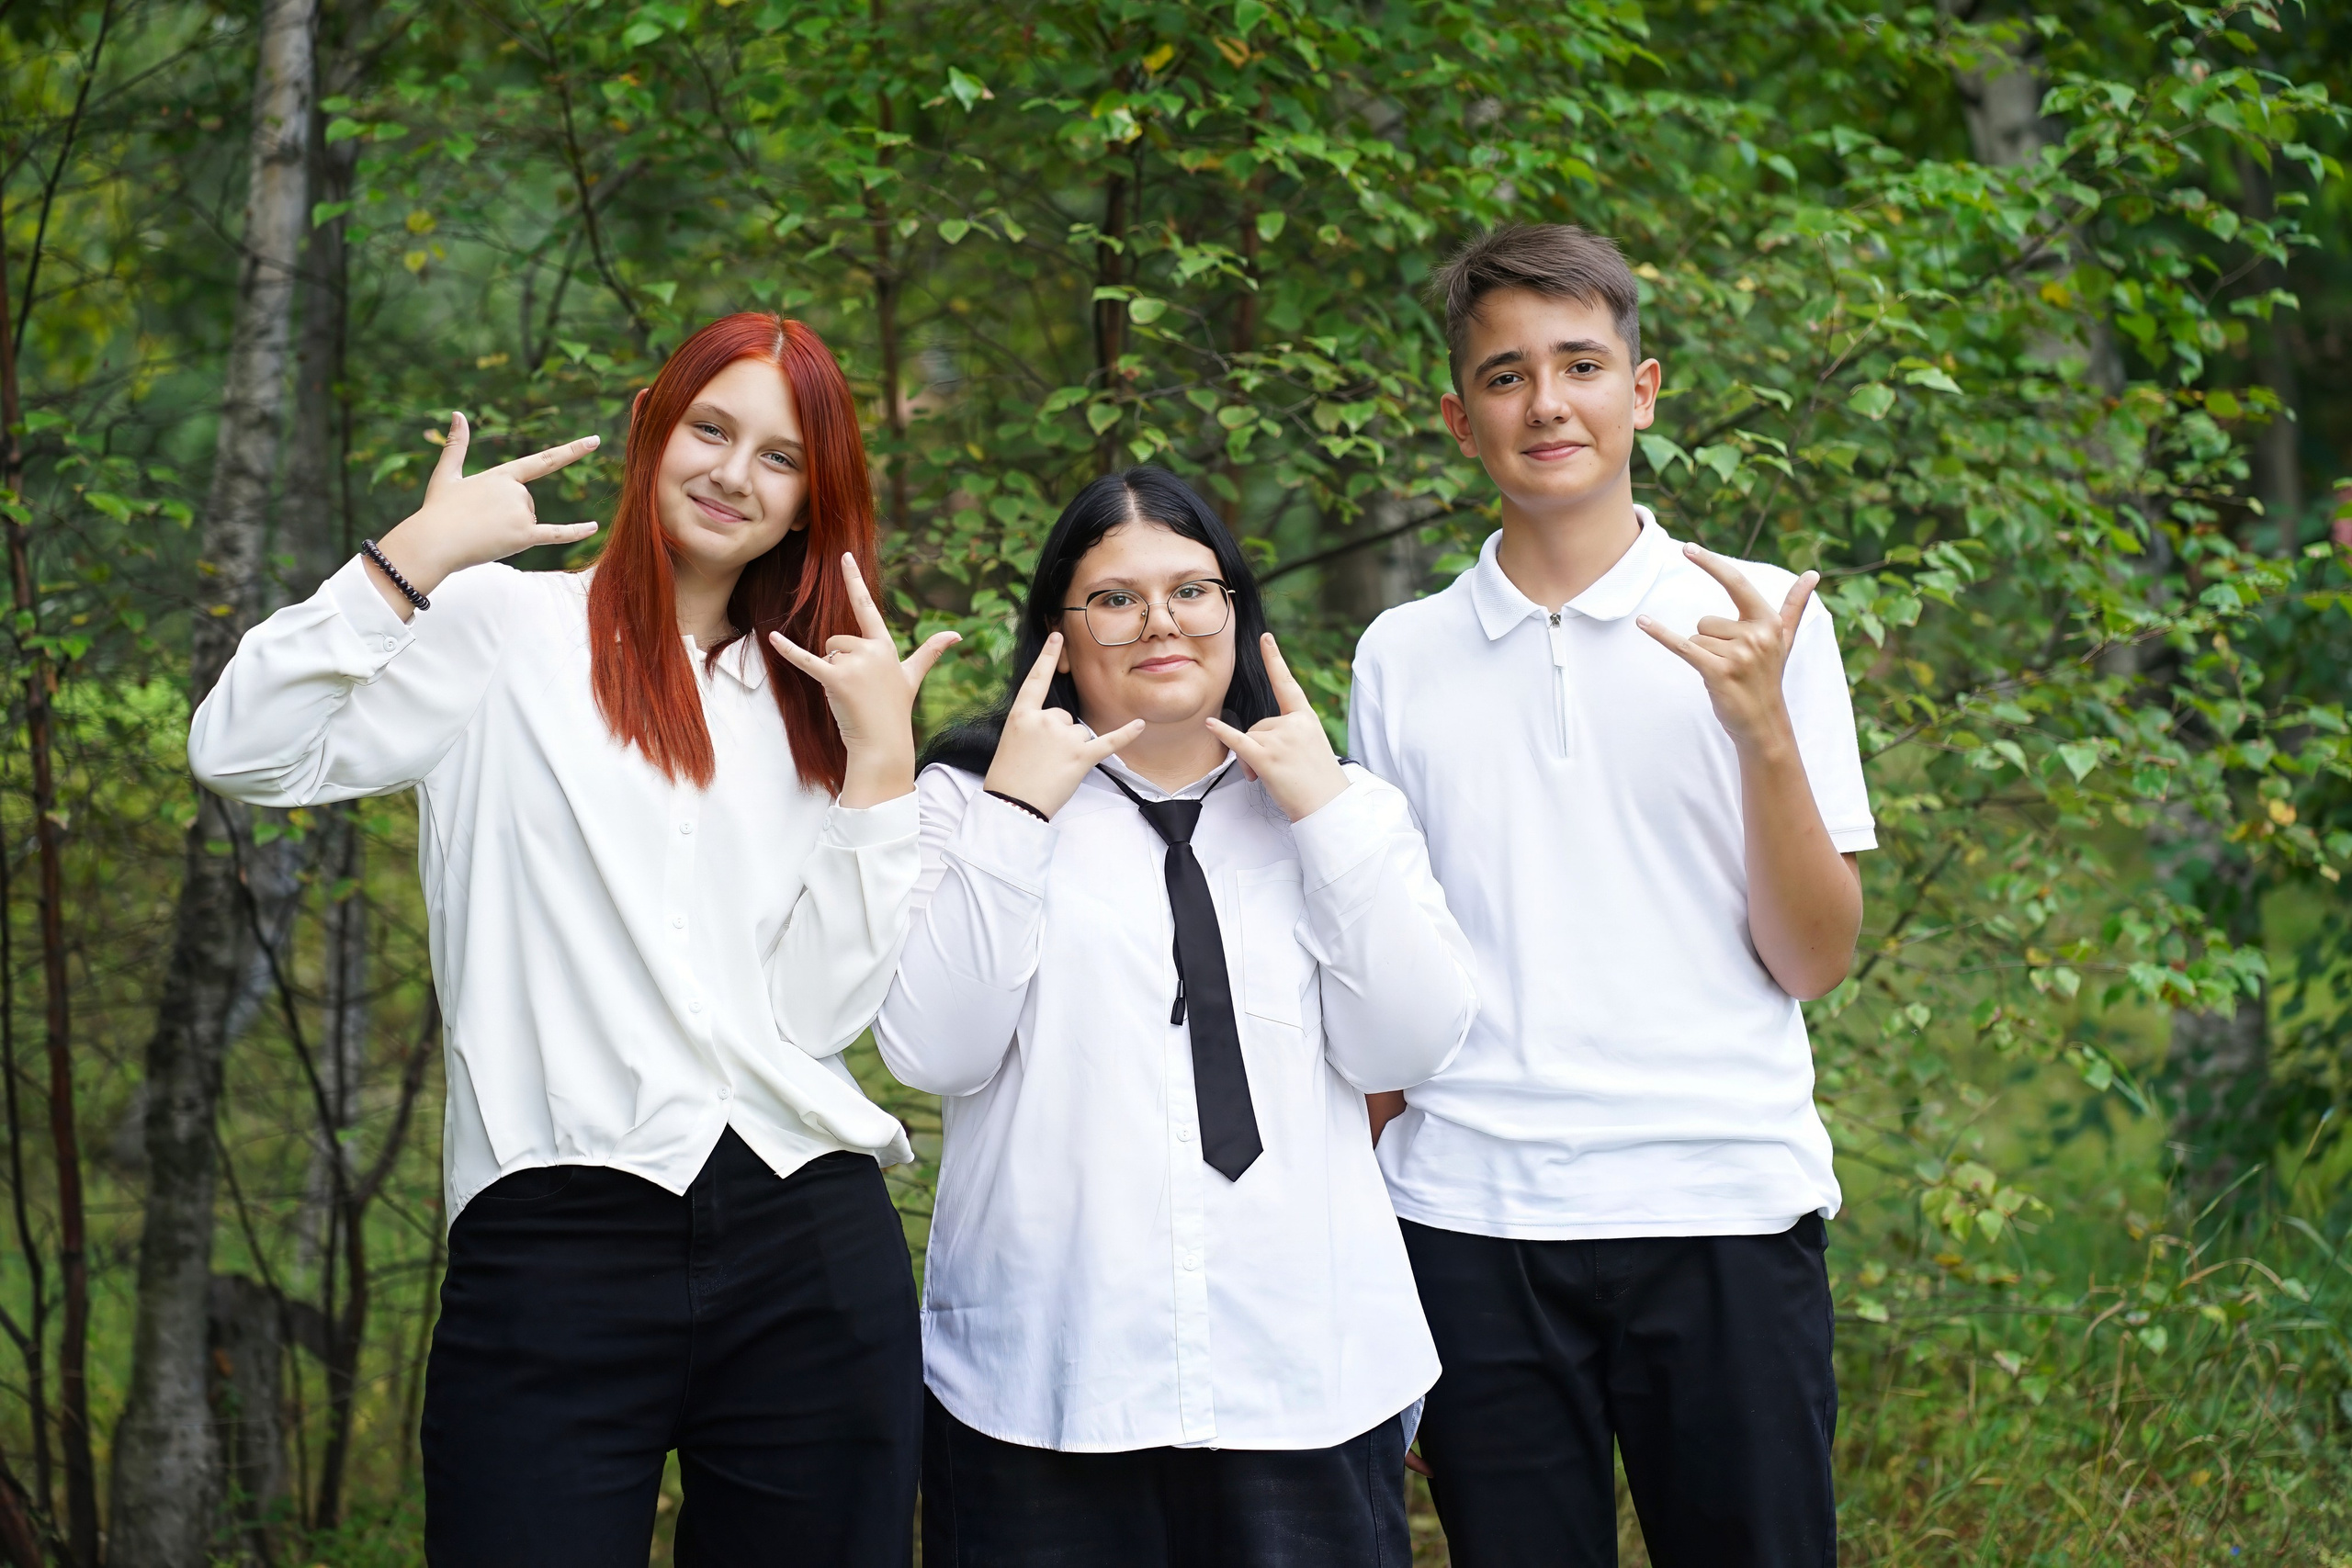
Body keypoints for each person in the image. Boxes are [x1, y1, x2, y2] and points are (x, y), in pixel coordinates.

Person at [187, 312, 959, 1566]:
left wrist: (881, 761)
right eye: (711, 429)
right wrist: (414, 554)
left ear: (811, 502)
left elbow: (820, 1017)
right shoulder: (500, 626)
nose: (733, 473)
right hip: (554, 1234)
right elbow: (242, 749)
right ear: (653, 429)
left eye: (779, 457)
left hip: (807, 1238)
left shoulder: (823, 699)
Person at [1350, 224, 1875, 1566]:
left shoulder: (1765, 620)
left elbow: (1814, 960)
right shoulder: (1401, 655)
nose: (1548, 402)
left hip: (1722, 1203)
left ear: (1641, 390)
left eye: (1581, 364)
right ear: (1460, 418)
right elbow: (1387, 966)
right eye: (1507, 374)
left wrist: (1761, 729)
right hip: (1470, 1218)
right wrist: (1360, 1228)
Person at [876, 467, 1477, 1567]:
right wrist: (1017, 813)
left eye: (1192, 590)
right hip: (1046, 1381)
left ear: (1235, 612)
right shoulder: (963, 805)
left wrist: (1324, 818)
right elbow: (933, 1051)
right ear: (1060, 634)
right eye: (1115, 598)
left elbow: (1411, 1043)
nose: (1160, 621)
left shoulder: (1346, 807)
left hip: (1304, 1376)